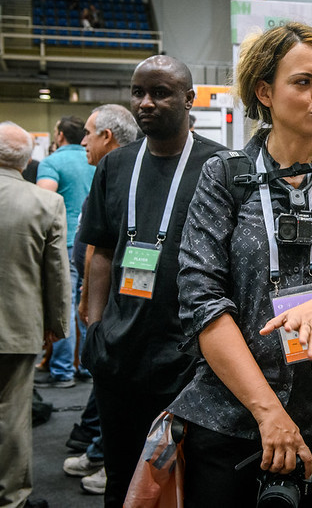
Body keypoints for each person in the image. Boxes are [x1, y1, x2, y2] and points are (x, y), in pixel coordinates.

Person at [166, 22, 312, 508]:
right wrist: (268, 413)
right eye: (303, 82)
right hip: (231, 412)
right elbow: (203, 303)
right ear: (265, 92)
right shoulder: (224, 178)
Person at [80, 55, 224, 507]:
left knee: (190, 477)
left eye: (160, 93)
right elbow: (101, 249)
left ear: (188, 98)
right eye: (138, 92)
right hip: (121, 353)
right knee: (122, 474)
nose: (145, 103)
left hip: (189, 355)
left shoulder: (220, 165)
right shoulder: (116, 165)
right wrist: (96, 323)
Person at [63, 104, 139, 497]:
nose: (84, 141)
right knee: (103, 378)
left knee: (108, 377)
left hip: (115, 307)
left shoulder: (122, 173)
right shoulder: (108, 173)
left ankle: (104, 457)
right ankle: (97, 449)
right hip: (105, 307)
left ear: (107, 136)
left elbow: (100, 247)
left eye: (89, 133)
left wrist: (89, 305)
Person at [0, 121, 71, 508]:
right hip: (17, 326)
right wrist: (56, 326)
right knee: (11, 416)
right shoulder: (45, 203)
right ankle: (11, 498)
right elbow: (56, 273)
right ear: (28, 160)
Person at [35, 115, 94, 389]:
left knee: (65, 306)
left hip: (65, 242)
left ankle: (62, 371)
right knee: (89, 302)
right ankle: (86, 365)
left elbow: (44, 201)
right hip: (92, 243)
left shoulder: (52, 162)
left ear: (59, 136)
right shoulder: (95, 158)